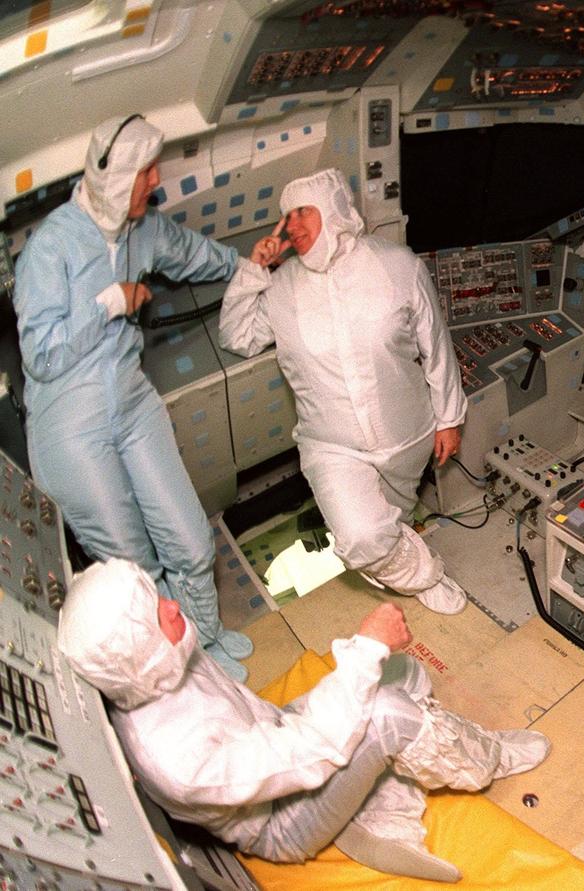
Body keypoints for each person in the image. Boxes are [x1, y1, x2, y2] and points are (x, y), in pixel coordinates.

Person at [57, 558, 550, 881]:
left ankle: (368, 799)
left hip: (274, 734)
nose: (171, 605)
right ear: (135, 650)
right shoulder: (175, 757)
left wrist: (374, 655)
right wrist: (368, 645)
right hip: (280, 820)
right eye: (155, 613)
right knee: (385, 713)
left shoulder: (150, 666)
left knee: (403, 671)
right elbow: (310, 752)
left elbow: (287, 739)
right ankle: (487, 760)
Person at [14, 115, 252, 681]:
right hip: (69, 430)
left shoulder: (143, 230)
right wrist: (108, 304)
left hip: (132, 404)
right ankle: (179, 666)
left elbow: (194, 254)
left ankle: (206, 640)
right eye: (147, 171)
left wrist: (252, 266)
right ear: (115, 177)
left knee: (192, 543)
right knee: (136, 568)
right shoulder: (50, 249)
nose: (157, 180)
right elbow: (41, 356)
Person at [219, 169, 468, 614]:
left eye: (301, 212)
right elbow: (238, 336)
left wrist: (449, 417)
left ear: (333, 210)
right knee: (362, 537)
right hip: (332, 446)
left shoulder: (398, 265)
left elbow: (436, 345)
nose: (291, 226)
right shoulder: (280, 287)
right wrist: (254, 268)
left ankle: (403, 547)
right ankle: (425, 576)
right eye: (285, 217)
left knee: (393, 519)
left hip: (406, 436)